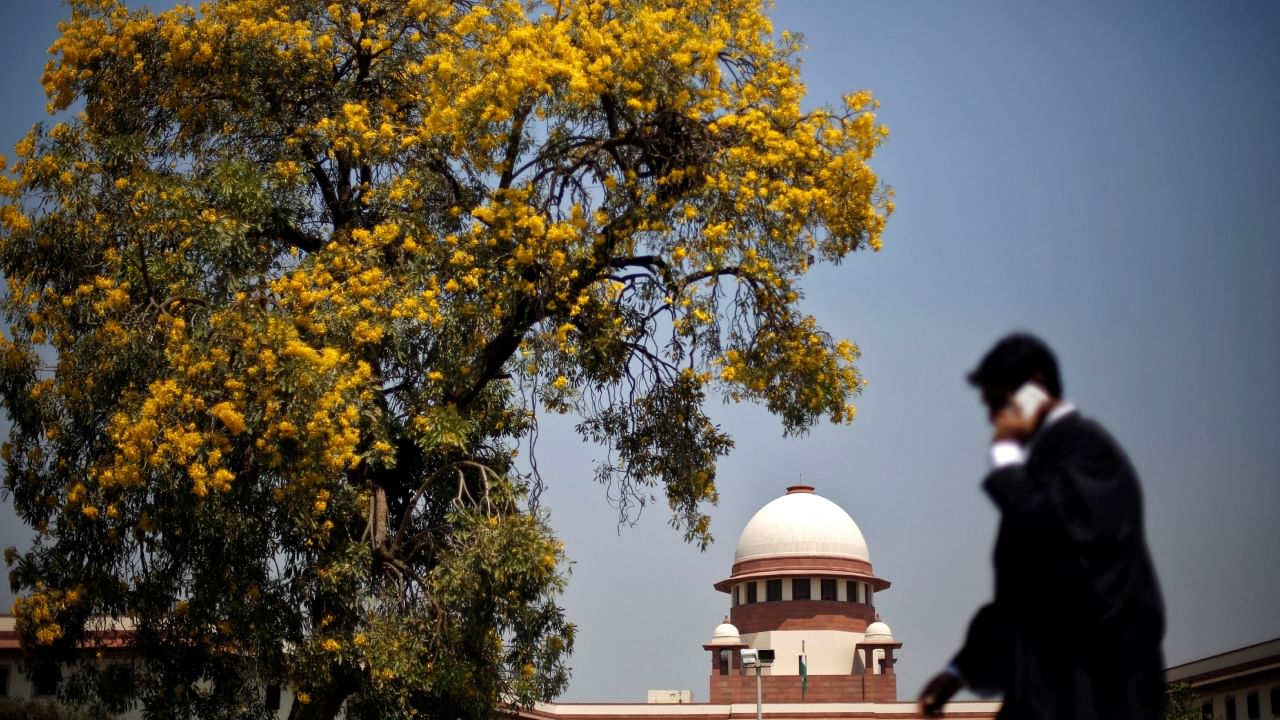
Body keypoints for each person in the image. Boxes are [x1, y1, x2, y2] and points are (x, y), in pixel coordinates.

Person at [919, 333, 1165, 719]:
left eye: (1000, 403)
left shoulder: (1089, 452)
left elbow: (1055, 542)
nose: (993, 419)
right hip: (1050, 688)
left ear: (1035, 388)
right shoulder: (1048, 465)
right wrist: (960, 671)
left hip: (1100, 690)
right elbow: (1026, 593)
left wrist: (1004, 458)